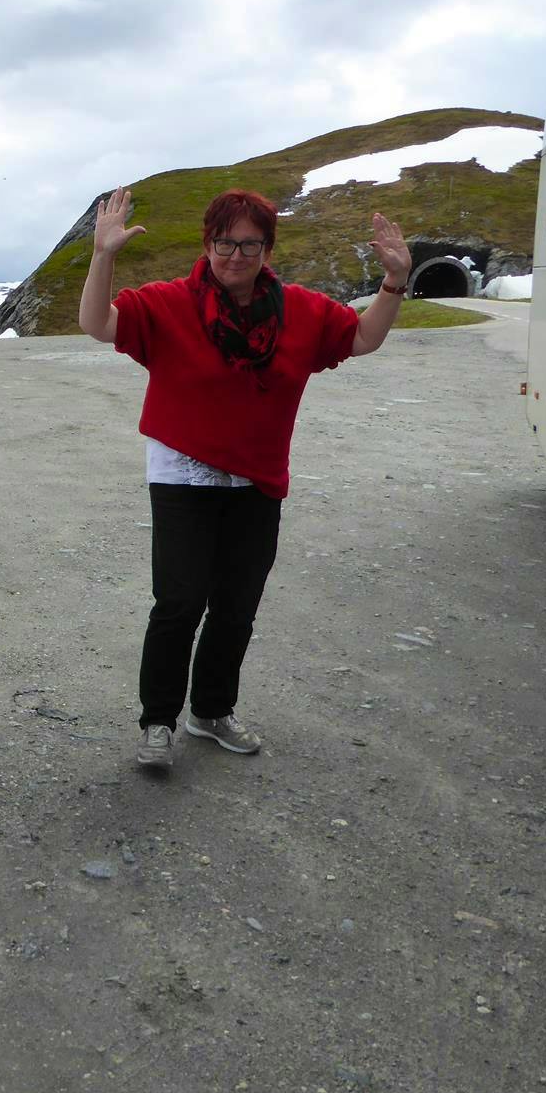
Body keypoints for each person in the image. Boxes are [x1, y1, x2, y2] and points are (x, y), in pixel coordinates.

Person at [78, 186, 411, 771]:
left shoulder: (301, 312)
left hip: (255, 482)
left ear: (266, 248)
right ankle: (158, 721)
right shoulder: (168, 304)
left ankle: (210, 712)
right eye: (225, 243)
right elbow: (98, 324)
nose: (236, 255)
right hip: (182, 476)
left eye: (249, 244)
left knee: (236, 605)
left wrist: (393, 283)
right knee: (179, 602)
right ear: (208, 244)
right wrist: (103, 255)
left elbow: (362, 338)